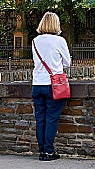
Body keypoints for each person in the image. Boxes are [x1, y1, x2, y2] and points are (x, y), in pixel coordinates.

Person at [31, 12, 71, 161]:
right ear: (56, 24)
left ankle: (42, 150)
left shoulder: (35, 41)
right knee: (52, 118)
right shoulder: (59, 41)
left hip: (37, 84)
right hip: (54, 85)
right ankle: (49, 151)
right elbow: (67, 63)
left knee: (40, 118)